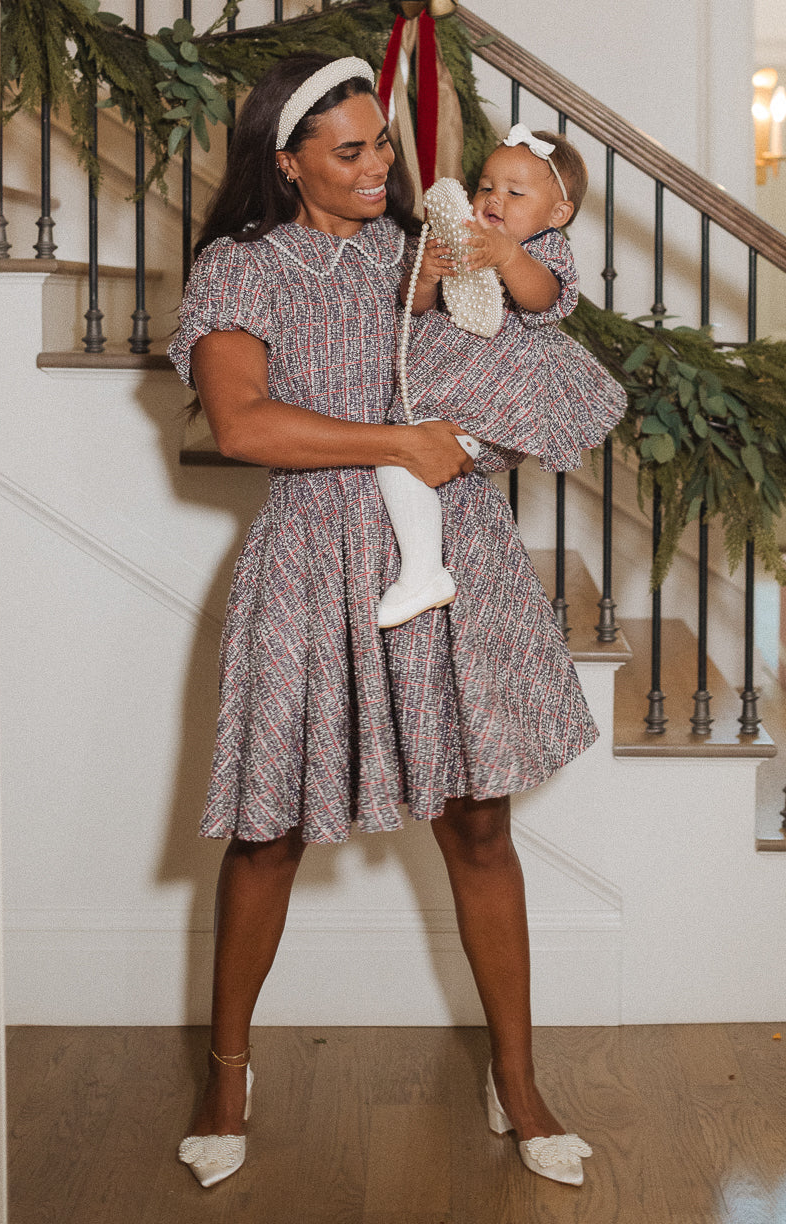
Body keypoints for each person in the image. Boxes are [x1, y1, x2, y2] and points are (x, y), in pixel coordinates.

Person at [169, 51, 595, 1191]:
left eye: (383, 145)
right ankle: (226, 1073)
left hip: (450, 557)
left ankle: (518, 1080)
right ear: (289, 158)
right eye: (349, 150)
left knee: (479, 826)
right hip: (314, 558)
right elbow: (245, 423)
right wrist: (402, 442)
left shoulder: (430, 246)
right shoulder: (242, 267)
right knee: (267, 833)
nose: (379, 166)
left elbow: (539, 301)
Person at [375, 126, 627, 628]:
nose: (495, 199)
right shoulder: (458, 237)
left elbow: (545, 298)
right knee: (401, 454)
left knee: (400, 457)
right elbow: (414, 308)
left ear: (557, 215)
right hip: (443, 382)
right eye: (486, 186)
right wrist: (425, 276)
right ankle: (426, 563)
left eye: (516, 192)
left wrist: (509, 256)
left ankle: (423, 571)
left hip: (498, 395)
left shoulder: (543, 250)